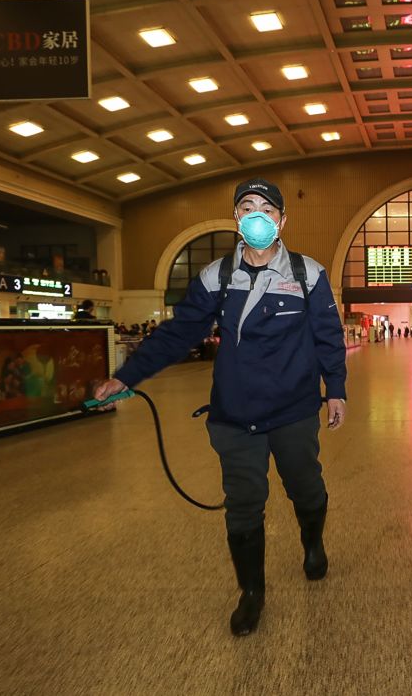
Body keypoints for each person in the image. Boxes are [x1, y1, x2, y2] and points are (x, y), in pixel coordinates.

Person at [91, 177, 347, 637]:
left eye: (267, 209)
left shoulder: (309, 274)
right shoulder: (216, 278)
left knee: (306, 489)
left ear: (282, 221)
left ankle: (313, 541)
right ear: (235, 218)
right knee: (244, 506)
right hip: (235, 416)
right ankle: (251, 593)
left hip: (293, 410)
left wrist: (338, 390)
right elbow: (177, 334)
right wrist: (125, 375)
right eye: (247, 207)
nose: (257, 216)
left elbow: (328, 337)